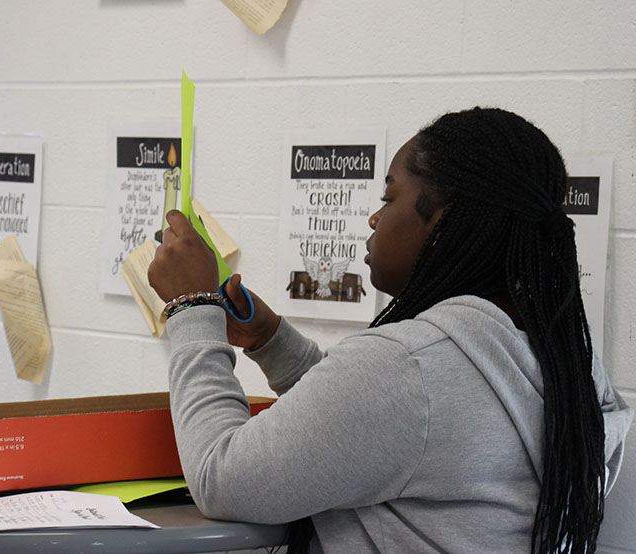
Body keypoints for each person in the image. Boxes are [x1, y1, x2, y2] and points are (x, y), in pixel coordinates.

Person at [147, 107, 633, 554]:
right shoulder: (566, 366)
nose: (376, 218)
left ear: (442, 222)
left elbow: (220, 480)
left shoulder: (411, 369)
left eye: (389, 196)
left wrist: (191, 307)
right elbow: (378, 431)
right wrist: (274, 342)